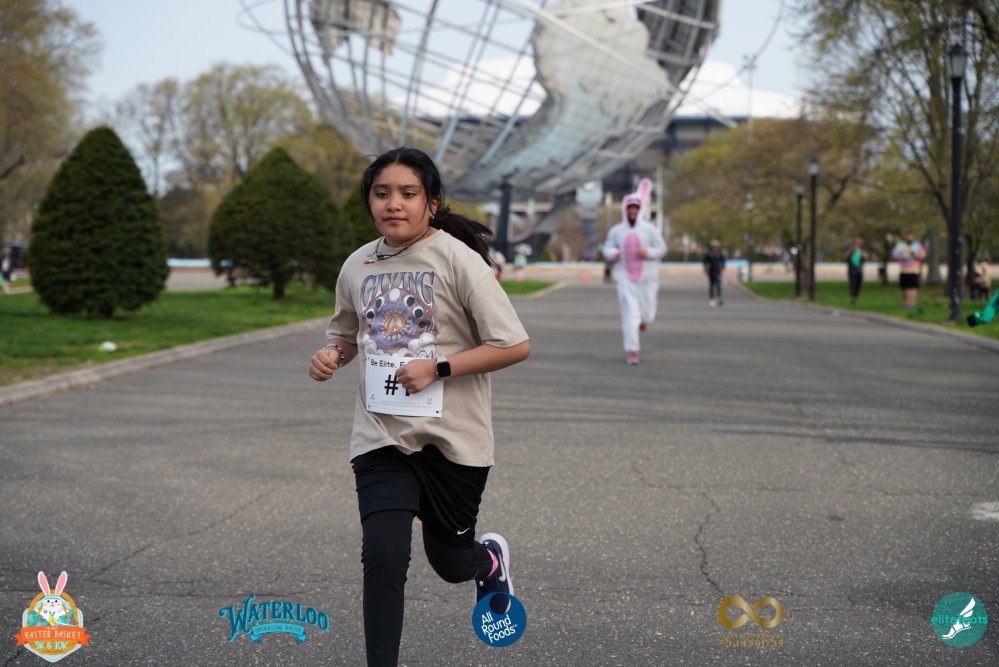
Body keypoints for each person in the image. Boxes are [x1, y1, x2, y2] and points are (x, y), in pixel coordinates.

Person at [308, 147, 530, 666]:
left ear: (431, 203)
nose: (393, 204)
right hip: (382, 437)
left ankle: (486, 561)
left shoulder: (458, 260)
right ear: (369, 201)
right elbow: (345, 334)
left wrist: (439, 367)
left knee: (450, 564)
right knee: (383, 560)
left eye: (408, 194)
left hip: (453, 441)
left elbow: (514, 345)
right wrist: (331, 354)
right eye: (381, 193)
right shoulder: (357, 265)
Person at [601, 178, 666, 365]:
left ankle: (644, 321)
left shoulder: (649, 230)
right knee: (630, 315)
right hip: (625, 278)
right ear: (625, 209)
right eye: (629, 208)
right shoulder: (617, 231)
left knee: (648, 314)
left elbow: (662, 249)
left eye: (635, 208)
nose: (632, 212)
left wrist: (648, 252)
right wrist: (614, 253)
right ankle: (632, 351)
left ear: (640, 210)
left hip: (647, 278)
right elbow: (607, 248)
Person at [891, 231, 926, 309]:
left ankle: (912, 303)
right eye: (908, 236)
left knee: (913, 287)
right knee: (904, 287)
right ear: (905, 237)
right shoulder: (900, 245)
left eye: (911, 236)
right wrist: (902, 257)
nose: (909, 238)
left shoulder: (917, 245)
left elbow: (923, 256)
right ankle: (905, 303)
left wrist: (914, 255)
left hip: (914, 270)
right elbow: (893, 256)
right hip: (903, 270)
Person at [843, 235, 869, 304]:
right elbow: (845, 257)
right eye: (855, 240)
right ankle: (852, 297)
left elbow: (866, 257)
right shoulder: (849, 248)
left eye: (857, 240)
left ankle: (855, 296)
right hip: (851, 268)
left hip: (859, 269)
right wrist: (851, 250)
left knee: (858, 284)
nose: (856, 242)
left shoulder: (862, 248)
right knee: (852, 283)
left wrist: (859, 250)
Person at [702, 240, 726, 307]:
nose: (715, 248)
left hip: (718, 272)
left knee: (718, 285)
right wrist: (705, 269)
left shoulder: (720, 254)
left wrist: (722, 269)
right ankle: (711, 299)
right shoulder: (709, 254)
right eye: (714, 246)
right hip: (711, 272)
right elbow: (705, 262)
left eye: (716, 246)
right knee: (711, 285)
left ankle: (719, 298)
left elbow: (723, 262)